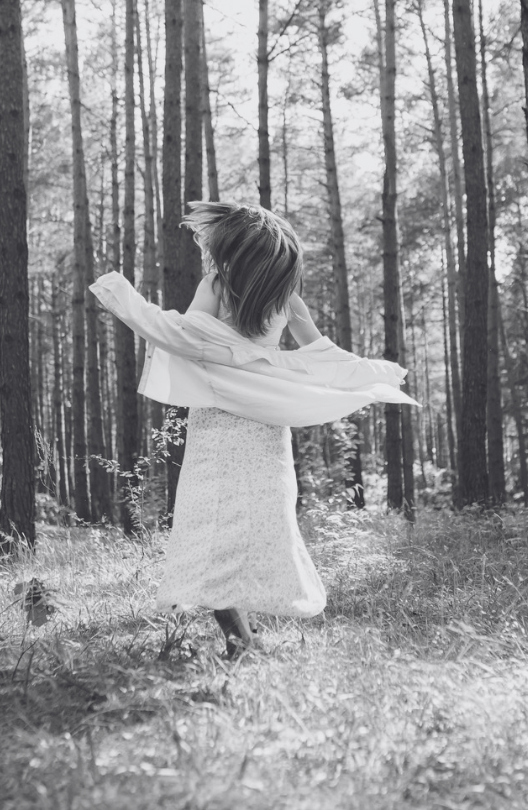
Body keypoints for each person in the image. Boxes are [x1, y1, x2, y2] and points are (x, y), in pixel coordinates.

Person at [90, 201, 417, 656]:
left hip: (220, 421)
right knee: (255, 526)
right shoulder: (285, 297)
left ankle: (240, 637)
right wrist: (373, 372)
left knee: (213, 526)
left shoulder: (217, 285)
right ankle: (243, 635)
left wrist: (125, 299)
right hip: (264, 425)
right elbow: (324, 356)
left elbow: (186, 335)